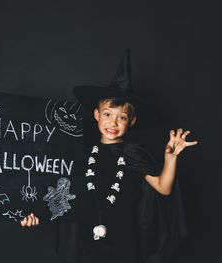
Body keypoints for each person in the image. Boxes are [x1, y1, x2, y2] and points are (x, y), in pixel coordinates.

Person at [21, 50, 198, 263]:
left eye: (121, 117)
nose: (113, 123)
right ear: (96, 115)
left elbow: (163, 187)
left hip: (125, 246)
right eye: (107, 114)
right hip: (85, 245)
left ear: (131, 122)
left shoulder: (135, 154)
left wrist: (170, 158)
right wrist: (33, 214)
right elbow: (54, 193)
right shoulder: (79, 154)